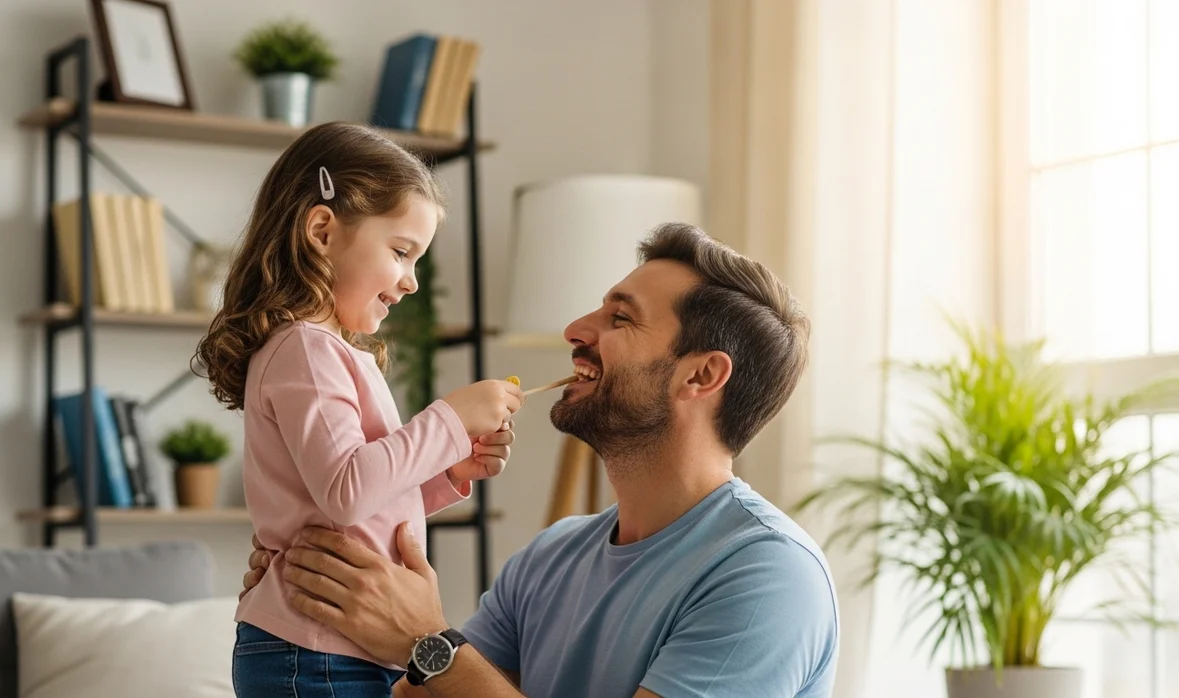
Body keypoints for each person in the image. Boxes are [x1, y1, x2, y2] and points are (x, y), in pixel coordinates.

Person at [243, 223, 840, 698]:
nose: (575, 329)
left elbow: (440, 663)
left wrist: (427, 641)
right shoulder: (549, 559)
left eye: (620, 318)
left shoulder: (767, 577)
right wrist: (318, 612)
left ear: (702, 374)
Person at [196, 122, 525, 698]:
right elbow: (347, 490)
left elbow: (356, 505)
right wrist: (448, 418)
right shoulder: (305, 348)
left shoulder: (328, 352)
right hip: (315, 650)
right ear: (322, 229)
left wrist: (448, 471)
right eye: (401, 252)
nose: (412, 281)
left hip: (342, 645)